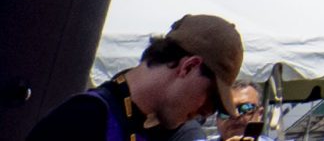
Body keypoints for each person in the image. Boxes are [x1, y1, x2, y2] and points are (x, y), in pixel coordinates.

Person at [28, 16, 243, 141]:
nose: (207, 111)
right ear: (189, 67)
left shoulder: (141, 126)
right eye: (211, 95)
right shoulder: (85, 118)